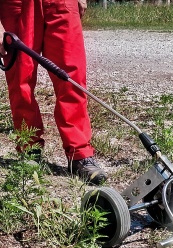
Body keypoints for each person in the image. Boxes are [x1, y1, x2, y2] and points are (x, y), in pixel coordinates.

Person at [0, 0, 107, 185]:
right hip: (17, 5)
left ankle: (80, 154)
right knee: (20, 81)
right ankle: (29, 149)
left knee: (73, 78)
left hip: (61, 3)